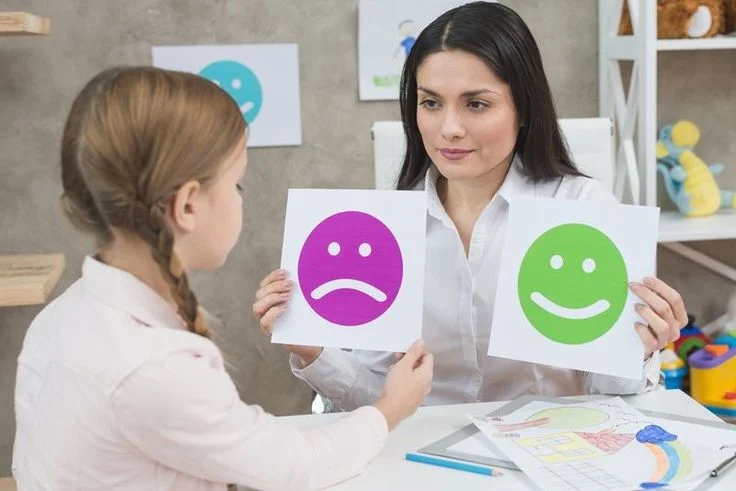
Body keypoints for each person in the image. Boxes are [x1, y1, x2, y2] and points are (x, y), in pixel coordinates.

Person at [12, 66, 433, 491]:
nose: (240, 199)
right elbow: (292, 467)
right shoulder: (153, 368)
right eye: (238, 185)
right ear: (188, 206)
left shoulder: (64, 316)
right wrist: (390, 407)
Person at [253, 2, 687, 411]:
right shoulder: (387, 228)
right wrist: (313, 350)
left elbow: (611, 397)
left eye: (476, 104)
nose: (450, 129)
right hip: (421, 456)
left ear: (523, 110)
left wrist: (639, 347)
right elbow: (375, 403)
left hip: (549, 453)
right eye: (431, 103)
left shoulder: (583, 209)